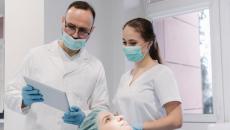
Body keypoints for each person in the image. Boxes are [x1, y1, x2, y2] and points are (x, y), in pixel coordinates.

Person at [5, 1, 109, 130]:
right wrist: (24, 101)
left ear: (91, 30)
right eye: (70, 27)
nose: (75, 35)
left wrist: (85, 117)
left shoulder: (96, 66)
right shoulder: (36, 55)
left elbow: (102, 109)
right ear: (62, 21)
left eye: (83, 30)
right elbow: (10, 94)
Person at [112, 18, 183, 130]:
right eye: (124, 42)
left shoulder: (161, 73)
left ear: (149, 43)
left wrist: (140, 127)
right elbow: (122, 112)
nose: (127, 47)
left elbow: (176, 120)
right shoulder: (125, 77)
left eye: (133, 43)